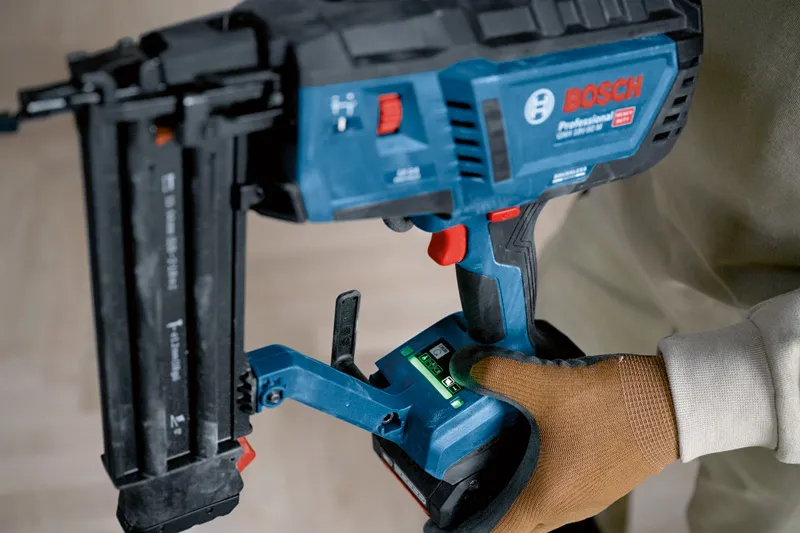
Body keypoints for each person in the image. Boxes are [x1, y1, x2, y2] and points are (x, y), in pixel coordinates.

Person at [428, 1, 800, 532]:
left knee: (755, 510)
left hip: (790, 377)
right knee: (538, 432)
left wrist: (670, 409)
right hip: (645, 203)